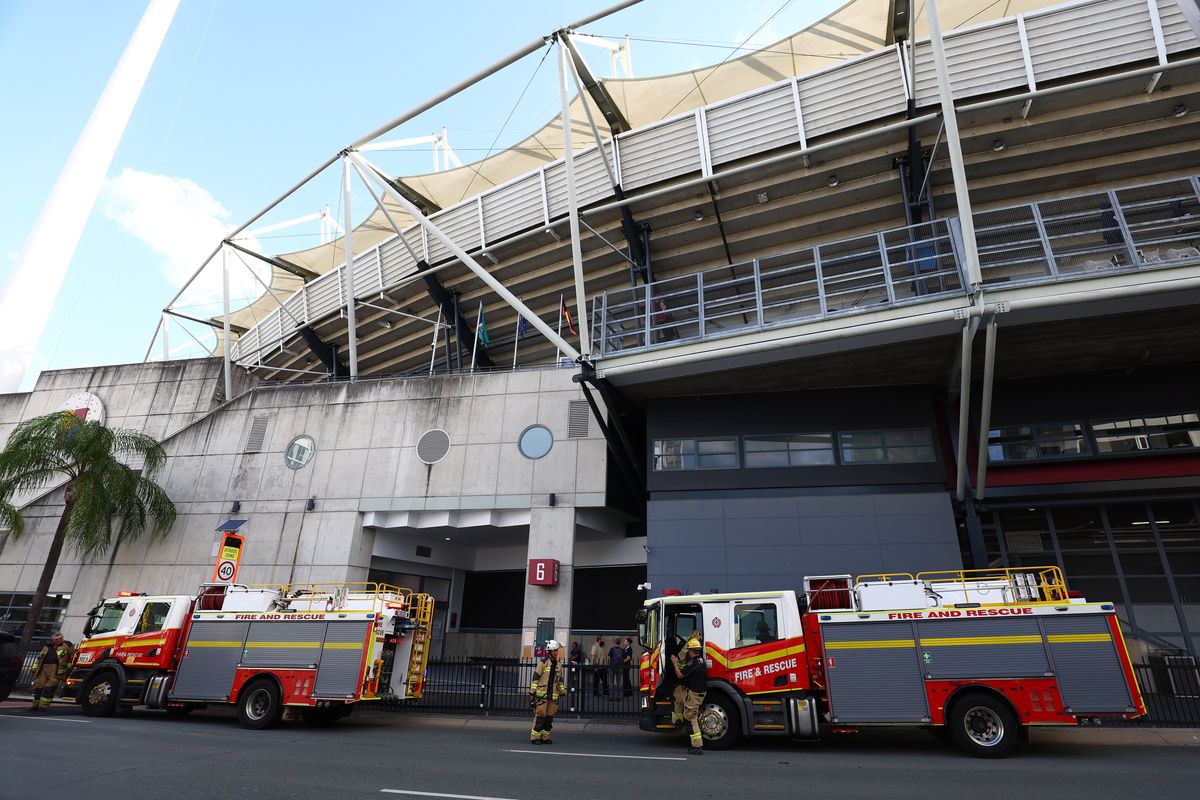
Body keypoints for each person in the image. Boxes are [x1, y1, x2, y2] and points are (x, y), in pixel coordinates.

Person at [671, 633, 707, 755]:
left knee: (691, 718)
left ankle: (697, 747)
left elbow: (680, 675)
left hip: (695, 695)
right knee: (678, 695)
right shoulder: (701, 661)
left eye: (689, 650)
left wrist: (675, 663)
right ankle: (677, 721)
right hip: (694, 692)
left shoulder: (693, 663)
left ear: (691, 651)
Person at [528, 639, 566, 745]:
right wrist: (532, 692)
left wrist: (562, 692)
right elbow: (535, 678)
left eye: (556, 650)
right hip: (542, 696)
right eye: (554, 650)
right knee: (540, 717)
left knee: (549, 719)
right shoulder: (543, 663)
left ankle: (545, 737)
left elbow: (560, 681)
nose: (556, 652)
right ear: (549, 651)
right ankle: (535, 737)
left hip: (553, 697)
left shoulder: (559, 665)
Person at [30, 632, 75, 711]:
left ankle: (43, 706)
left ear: (62, 638)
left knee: (49, 689)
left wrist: (69, 669)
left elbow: (72, 657)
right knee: (38, 687)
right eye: (56, 639)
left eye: (60, 639)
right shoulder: (47, 646)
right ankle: (35, 704)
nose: (58, 640)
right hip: (43, 669)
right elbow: (39, 658)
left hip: (56, 671)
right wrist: (34, 668)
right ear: (53, 639)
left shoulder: (67, 645)